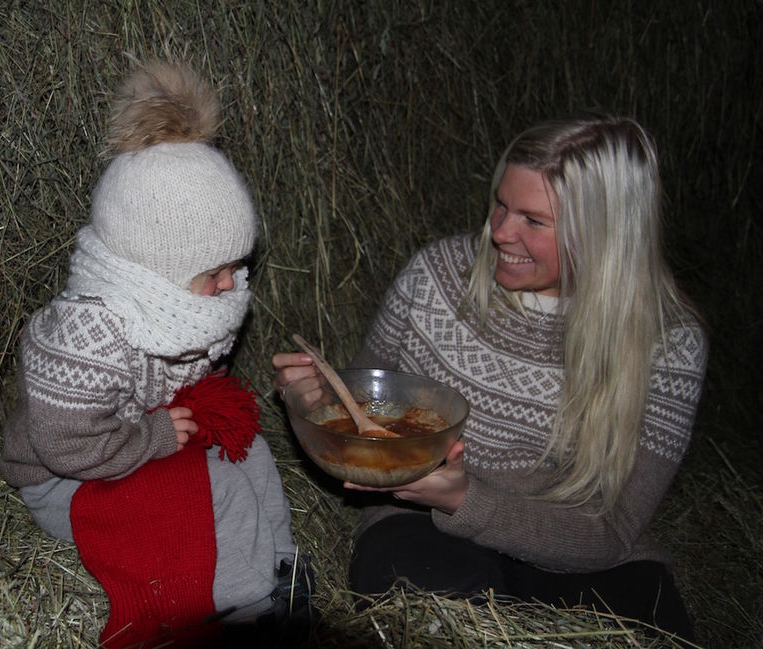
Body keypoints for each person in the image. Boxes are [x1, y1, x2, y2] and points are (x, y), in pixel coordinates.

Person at [273, 113, 706, 640]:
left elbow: (612, 533)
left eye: (534, 220)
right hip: (421, 524)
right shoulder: (435, 279)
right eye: (501, 203)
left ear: (606, 235)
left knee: (653, 630)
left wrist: (467, 501)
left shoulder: (669, 344)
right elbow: (363, 414)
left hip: (572, 544)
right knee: (421, 599)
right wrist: (311, 405)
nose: (500, 231)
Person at [0, 61, 311, 648]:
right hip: (67, 479)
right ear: (155, 272)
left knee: (253, 458)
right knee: (213, 490)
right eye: (213, 272)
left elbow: (194, 383)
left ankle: (284, 574)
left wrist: (197, 420)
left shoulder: (189, 305)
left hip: (139, 443)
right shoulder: (80, 338)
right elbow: (67, 444)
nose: (231, 286)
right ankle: (243, 613)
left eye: (236, 266)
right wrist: (157, 439)